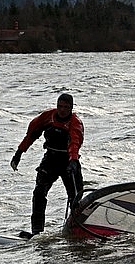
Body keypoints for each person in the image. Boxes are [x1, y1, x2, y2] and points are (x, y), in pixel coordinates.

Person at [10, 93, 84, 237]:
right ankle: (36, 232)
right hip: (50, 159)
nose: (62, 110)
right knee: (39, 193)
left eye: (66, 107)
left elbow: (75, 142)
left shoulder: (76, 123)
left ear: (71, 108)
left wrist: (73, 160)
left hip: (69, 161)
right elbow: (31, 134)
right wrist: (18, 153)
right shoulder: (47, 117)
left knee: (75, 198)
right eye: (60, 106)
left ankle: (75, 230)